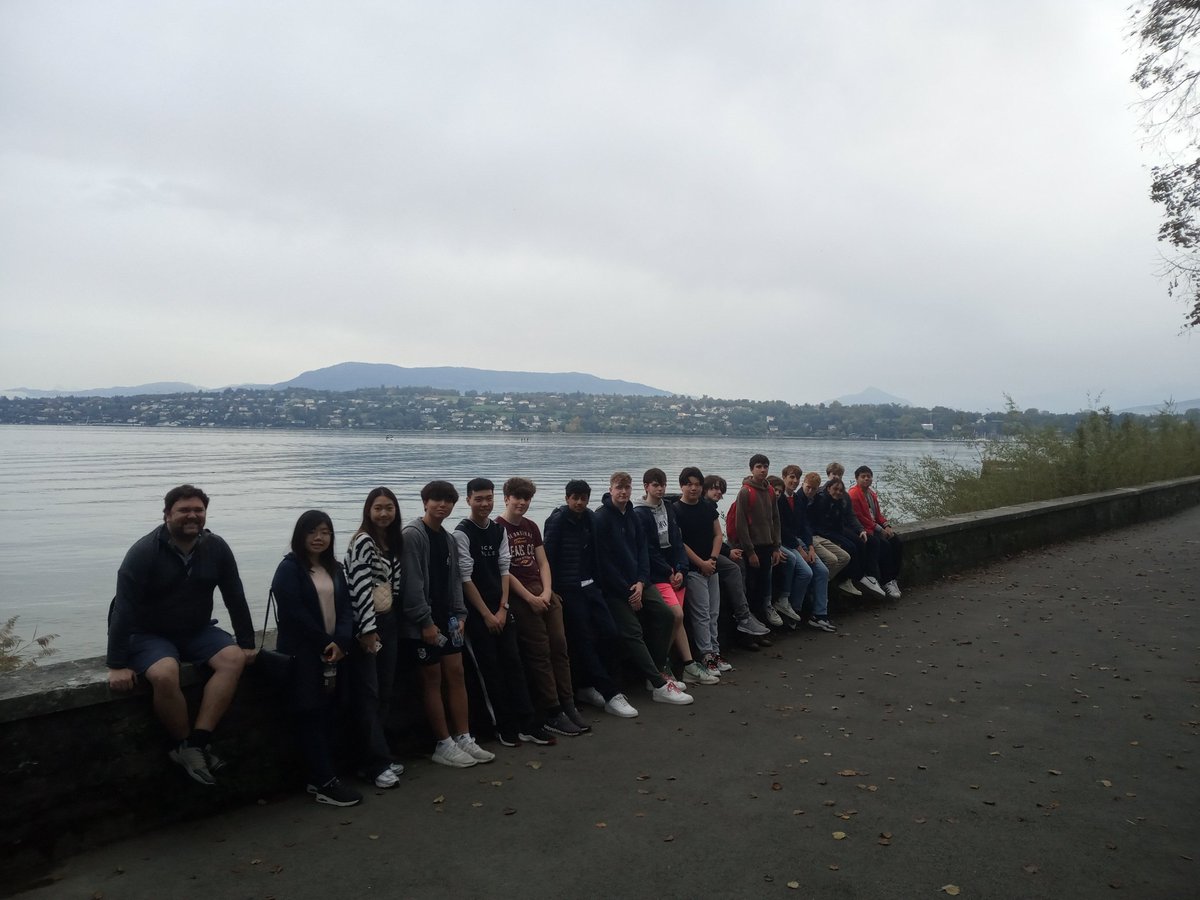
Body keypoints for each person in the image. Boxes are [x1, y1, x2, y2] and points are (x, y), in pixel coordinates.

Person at [107, 484, 256, 786]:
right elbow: (123, 608)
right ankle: (184, 744)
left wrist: (246, 643)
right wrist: (117, 664)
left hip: (196, 629)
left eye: (198, 510)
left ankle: (196, 743)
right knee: (164, 674)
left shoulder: (216, 547)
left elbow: (235, 595)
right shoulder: (144, 552)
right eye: (184, 510)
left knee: (233, 659)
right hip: (148, 633)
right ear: (167, 514)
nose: (192, 516)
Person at [452, 478, 556, 747]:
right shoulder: (462, 533)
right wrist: (487, 614)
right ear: (468, 500)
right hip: (478, 611)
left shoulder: (498, 531)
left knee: (514, 665)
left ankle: (527, 723)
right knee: (490, 670)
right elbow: (465, 578)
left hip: (500, 606)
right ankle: (502, 726)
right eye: (478, 499)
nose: (484, 504)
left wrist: (503, 607)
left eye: (488, 498)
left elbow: (504, 570)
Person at [400, 481, 495, 768]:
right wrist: (425, 622)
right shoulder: (413, 535)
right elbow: (412, 585)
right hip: (424, 622)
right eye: (436, 500)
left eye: (447, 501)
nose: (442, 505)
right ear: (425, 502)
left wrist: (460, 614)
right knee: (432, 680)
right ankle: (443, 743)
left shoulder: (448, 538)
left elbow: (454, 580)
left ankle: (463, 736)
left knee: (456, 673)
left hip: (448, 619)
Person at [271, 510, 359, 806]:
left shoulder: (334, 568)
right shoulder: (289, 569)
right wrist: (326, 642)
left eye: (325, 532)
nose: (319, 538)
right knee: (310, 714)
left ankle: (324, 774)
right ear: (300, 535)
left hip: (334, 652)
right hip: (303, 654)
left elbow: (346, 608)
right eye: (312, 532)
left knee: (332, 712)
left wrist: (342, 641)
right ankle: (324, 781)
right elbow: (294, 614)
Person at [593, 471, 692, 705]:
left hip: (638, 582)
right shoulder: (601, 518)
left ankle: (655, 672)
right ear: (610, 489)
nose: (623, 492)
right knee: (632, 630)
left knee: (666, 615)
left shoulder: (632, 515)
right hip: (615, 589)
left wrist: (640, 582)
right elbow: (603, 561)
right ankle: (659, 685)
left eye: (627, 487)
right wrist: (628, 590)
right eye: (619, 487)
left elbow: (642, 552)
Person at [496, 477, 585, 736]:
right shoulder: (498, 528)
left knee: (560, 647)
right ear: (507, 498)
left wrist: (547, 592)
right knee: (539, 652)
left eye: (527, 498)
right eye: (517, 497)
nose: (522, 503)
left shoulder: (531, 526)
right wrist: (529, 598)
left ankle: (568, 703)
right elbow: (505, 570)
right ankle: (552, 710)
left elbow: (543, 562)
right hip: (521, 596)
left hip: (543, 592)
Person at [544, 480, 639, 718]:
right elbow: (547, 557)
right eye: (574, 498)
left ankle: (592, 686)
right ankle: (610, 693)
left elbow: (597, 554)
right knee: (583, 639)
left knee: (610, 633)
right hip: (568, 590)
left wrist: (600, 585)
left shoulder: (590, 519)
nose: (579, 502)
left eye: (583, 498)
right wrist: (552, 589)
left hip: (590, 586)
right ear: (567, 498)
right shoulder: (557, 521)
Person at [343, 487, 405, 790]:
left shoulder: (391, 541)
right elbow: (359, 587)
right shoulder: (363, 541)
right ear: (368, 510)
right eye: (378, 508)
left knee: (384, 691)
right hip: (370, 624)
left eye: (389, 508)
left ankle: (377, 756)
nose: (383, 513)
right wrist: (367, 630)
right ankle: (375, 763)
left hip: (388, 621)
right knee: (369, 693)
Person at [634, 468, 717, 686]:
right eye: (655, 485)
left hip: (675, 571)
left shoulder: (668, 508)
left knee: (677, 620)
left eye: (662, 484)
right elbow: (648, 549)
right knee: (675, 616)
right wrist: (668, 571)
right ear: (646, 487)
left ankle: (688, 665)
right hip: (658, 574)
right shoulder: (640, 514)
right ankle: (658, 668)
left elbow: (677, 542)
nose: (660, 489)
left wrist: (681, 568)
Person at [702, 475, 772, 649]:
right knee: (736, 568)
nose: (718, 492)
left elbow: (718, 536)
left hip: (726, 550)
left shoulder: (710, 507)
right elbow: (714, 537)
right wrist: (729, 551)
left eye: (721, 489)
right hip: (708, 555)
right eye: (714, 488)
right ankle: (744, 618)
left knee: (750, 577)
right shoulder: (706, 508)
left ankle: (750, 623)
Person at [673, 467, 731, 675]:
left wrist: (712, 560)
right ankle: (705, 654)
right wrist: (701, 563)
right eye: (689, 484)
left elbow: (718, 534)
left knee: (714, 612)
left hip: (711, 566)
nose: (693, 488)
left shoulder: (707, 507)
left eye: (697, 484)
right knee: (701, 613)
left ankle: (715, 651)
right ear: (682, 486)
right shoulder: (676, 510)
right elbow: (680, 543)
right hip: (693, 569)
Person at [779, 466, 835, 632]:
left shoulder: (797, 499)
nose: (794, 481)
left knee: (823, 572)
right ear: (784, 477)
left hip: (801, 542)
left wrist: (810, 547)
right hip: (787, 543)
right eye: (791, 477)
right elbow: (781, 529)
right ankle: (794, 611)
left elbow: (804, 525)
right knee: (806, 573)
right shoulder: (779, 499)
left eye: (797, 478)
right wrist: (799, 548)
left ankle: (819, 615)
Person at [732, 454, 783, 628]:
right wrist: (750, 551)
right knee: (751, 585)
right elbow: (741, 524)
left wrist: (776, 546)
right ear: (752, 469)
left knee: (763, 585)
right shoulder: (745, 492)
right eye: (759, 466)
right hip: (753, 548)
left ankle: (762, 621)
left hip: (768, 546)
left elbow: (775, 519)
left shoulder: (770, 491)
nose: (762, 470)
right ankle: (748, 622)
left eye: (765, 466)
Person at [812, 477, 885, 598]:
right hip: (823, 532)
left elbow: (847, 518)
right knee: (850, 548)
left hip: (834, 530)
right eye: (835, 489)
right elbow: (820, 524)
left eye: (840, 490)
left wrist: (860, 530)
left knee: (861, 543)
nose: (838, 492)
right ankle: (846, 579)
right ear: (828, 488)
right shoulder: (822, 500)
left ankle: (862, 577)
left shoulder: (839, 501)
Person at [848, 466, 903, 599]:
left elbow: (877, 515)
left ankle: (892, 579)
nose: (866, 479)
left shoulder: (871, 494)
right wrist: (879, 529)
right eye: (863, 476)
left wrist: (886, 525)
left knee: (896, 542)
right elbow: (860, 517)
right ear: (857, 478)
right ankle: (885, 580)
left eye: (869, 476)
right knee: (884, 546)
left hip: (874, 527)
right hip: (863, 530)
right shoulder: (854, 494)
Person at [801, 472, 852, 594]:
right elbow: (811, 524)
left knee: (847, 554)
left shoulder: (836, 502)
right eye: (808, 487)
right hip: (814, 535)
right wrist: (809, 545)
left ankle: (822, 583)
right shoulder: (817, 500)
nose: (810, 491)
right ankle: (816, 586)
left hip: (821, 534)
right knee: (833, 559)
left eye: (840, 491)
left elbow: (840, 522)